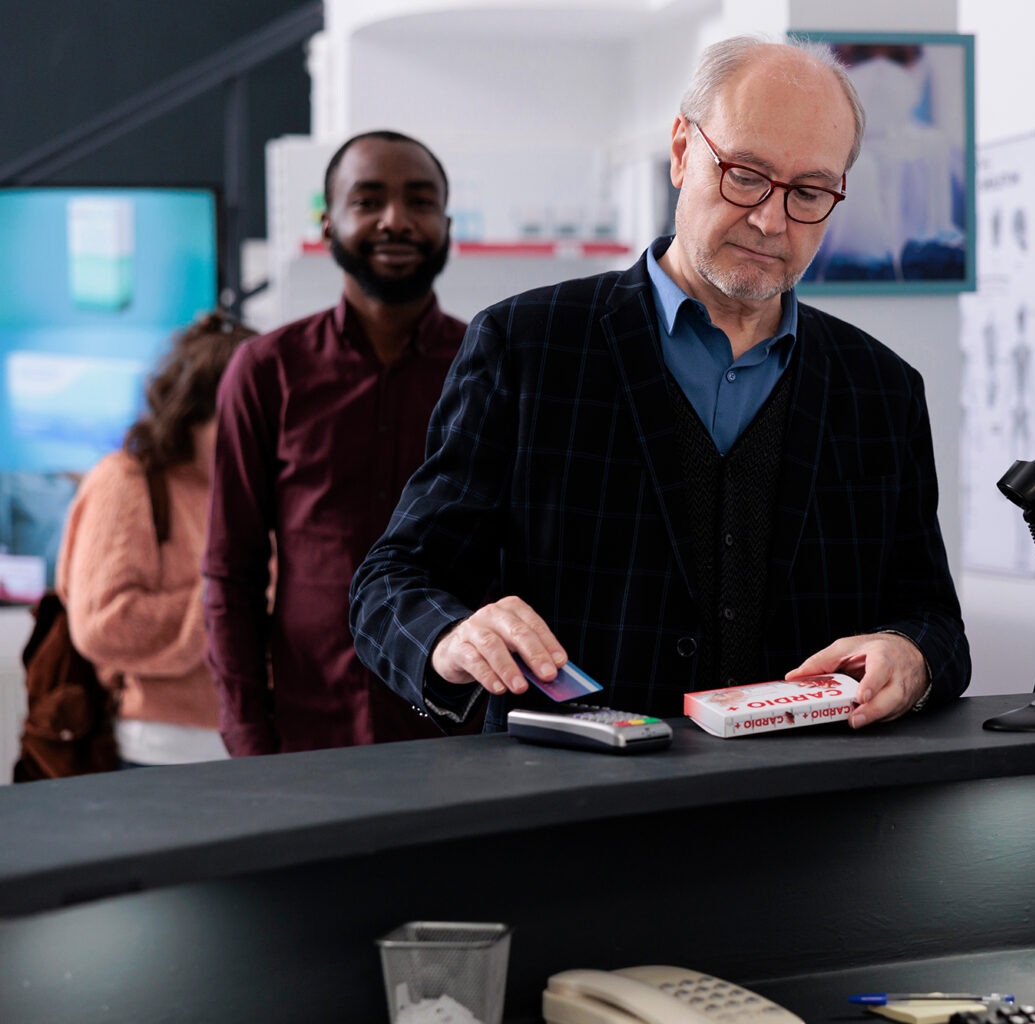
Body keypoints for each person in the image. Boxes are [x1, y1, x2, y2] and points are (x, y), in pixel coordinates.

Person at [350, 36, 969, 733]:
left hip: (812, 815)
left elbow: (933, 618)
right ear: (681, 151)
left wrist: (911, 656)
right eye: (745, 174)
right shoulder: (525, 345)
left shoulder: (882, 390)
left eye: (809, 192)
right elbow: (391, 581)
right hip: (575, 815)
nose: (771, 220)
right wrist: (448, 637)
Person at [204, 130, 471, 756]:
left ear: (447, 223)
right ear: (327, 225)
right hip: (305, 733)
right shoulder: (267, 370)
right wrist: (247, 737)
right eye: (368, 200)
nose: (395, 222)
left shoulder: (485, 365)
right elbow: (230, 573)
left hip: (453, 730)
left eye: (420, 202)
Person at [55, 312, 254, 767]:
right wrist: (224, 599)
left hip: (266, 744)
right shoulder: (126, 482)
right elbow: (102, 624)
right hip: (163, 749)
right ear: (195, 411)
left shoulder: (264, 487)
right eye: (245, 414)